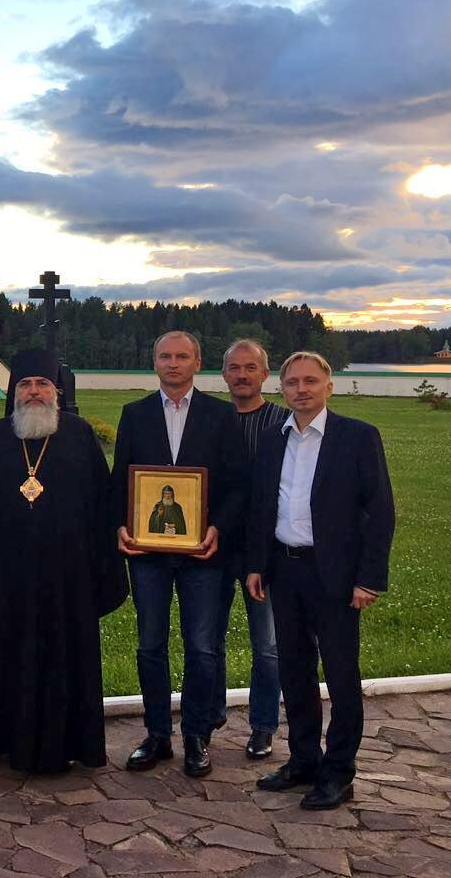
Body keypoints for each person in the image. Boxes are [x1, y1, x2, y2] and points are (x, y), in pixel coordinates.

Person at [0, 349, 128, 773]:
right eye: (25, 385)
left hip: (68, 576)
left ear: (56, 390)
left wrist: (99, 566)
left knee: (66, 655)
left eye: (42, 385)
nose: (33, 392)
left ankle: (69, 742)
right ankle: (7, 740)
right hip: (8, 572)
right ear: (14, 392)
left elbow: (103, 505)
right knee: (8, 654)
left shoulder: (79, 434)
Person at [247, 351, 394, 810]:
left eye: (311, 381)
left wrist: (369, 578)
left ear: (328, 387)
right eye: (292, 382)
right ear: (282, 389)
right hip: (285, 571)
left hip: (335, 574)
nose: (301, 389)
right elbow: (261, 507)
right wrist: (257, 565)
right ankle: (303, 760)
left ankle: (339, 772)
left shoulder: (357, 437)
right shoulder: (273, 440)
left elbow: (381, 511)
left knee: (341, 675)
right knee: (294, 671)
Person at [112, 331, 247, 778]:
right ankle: (156, 734)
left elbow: (235, 486)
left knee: (202, 648)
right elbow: (121, 484)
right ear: (154, 362)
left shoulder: (221, 415)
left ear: (197, 361)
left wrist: (217, 528)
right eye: (165, 356)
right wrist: (121, 527)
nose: (173, 364)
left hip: (204, 554)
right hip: (148, 554)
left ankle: (196, 735)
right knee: (150, 646)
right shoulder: (135, 415)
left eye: (182, 356)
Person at [213, 339, 289, 760]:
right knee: (210, 638)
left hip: (265, 550)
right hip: (213, 546)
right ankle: (212, 713)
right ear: (223, 374)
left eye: (250, 368)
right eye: (234, 368)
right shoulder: (210, 419)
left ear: (265, 373)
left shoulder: (281, 422)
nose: (242, 375)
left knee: (267, 644)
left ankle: (263, 725)